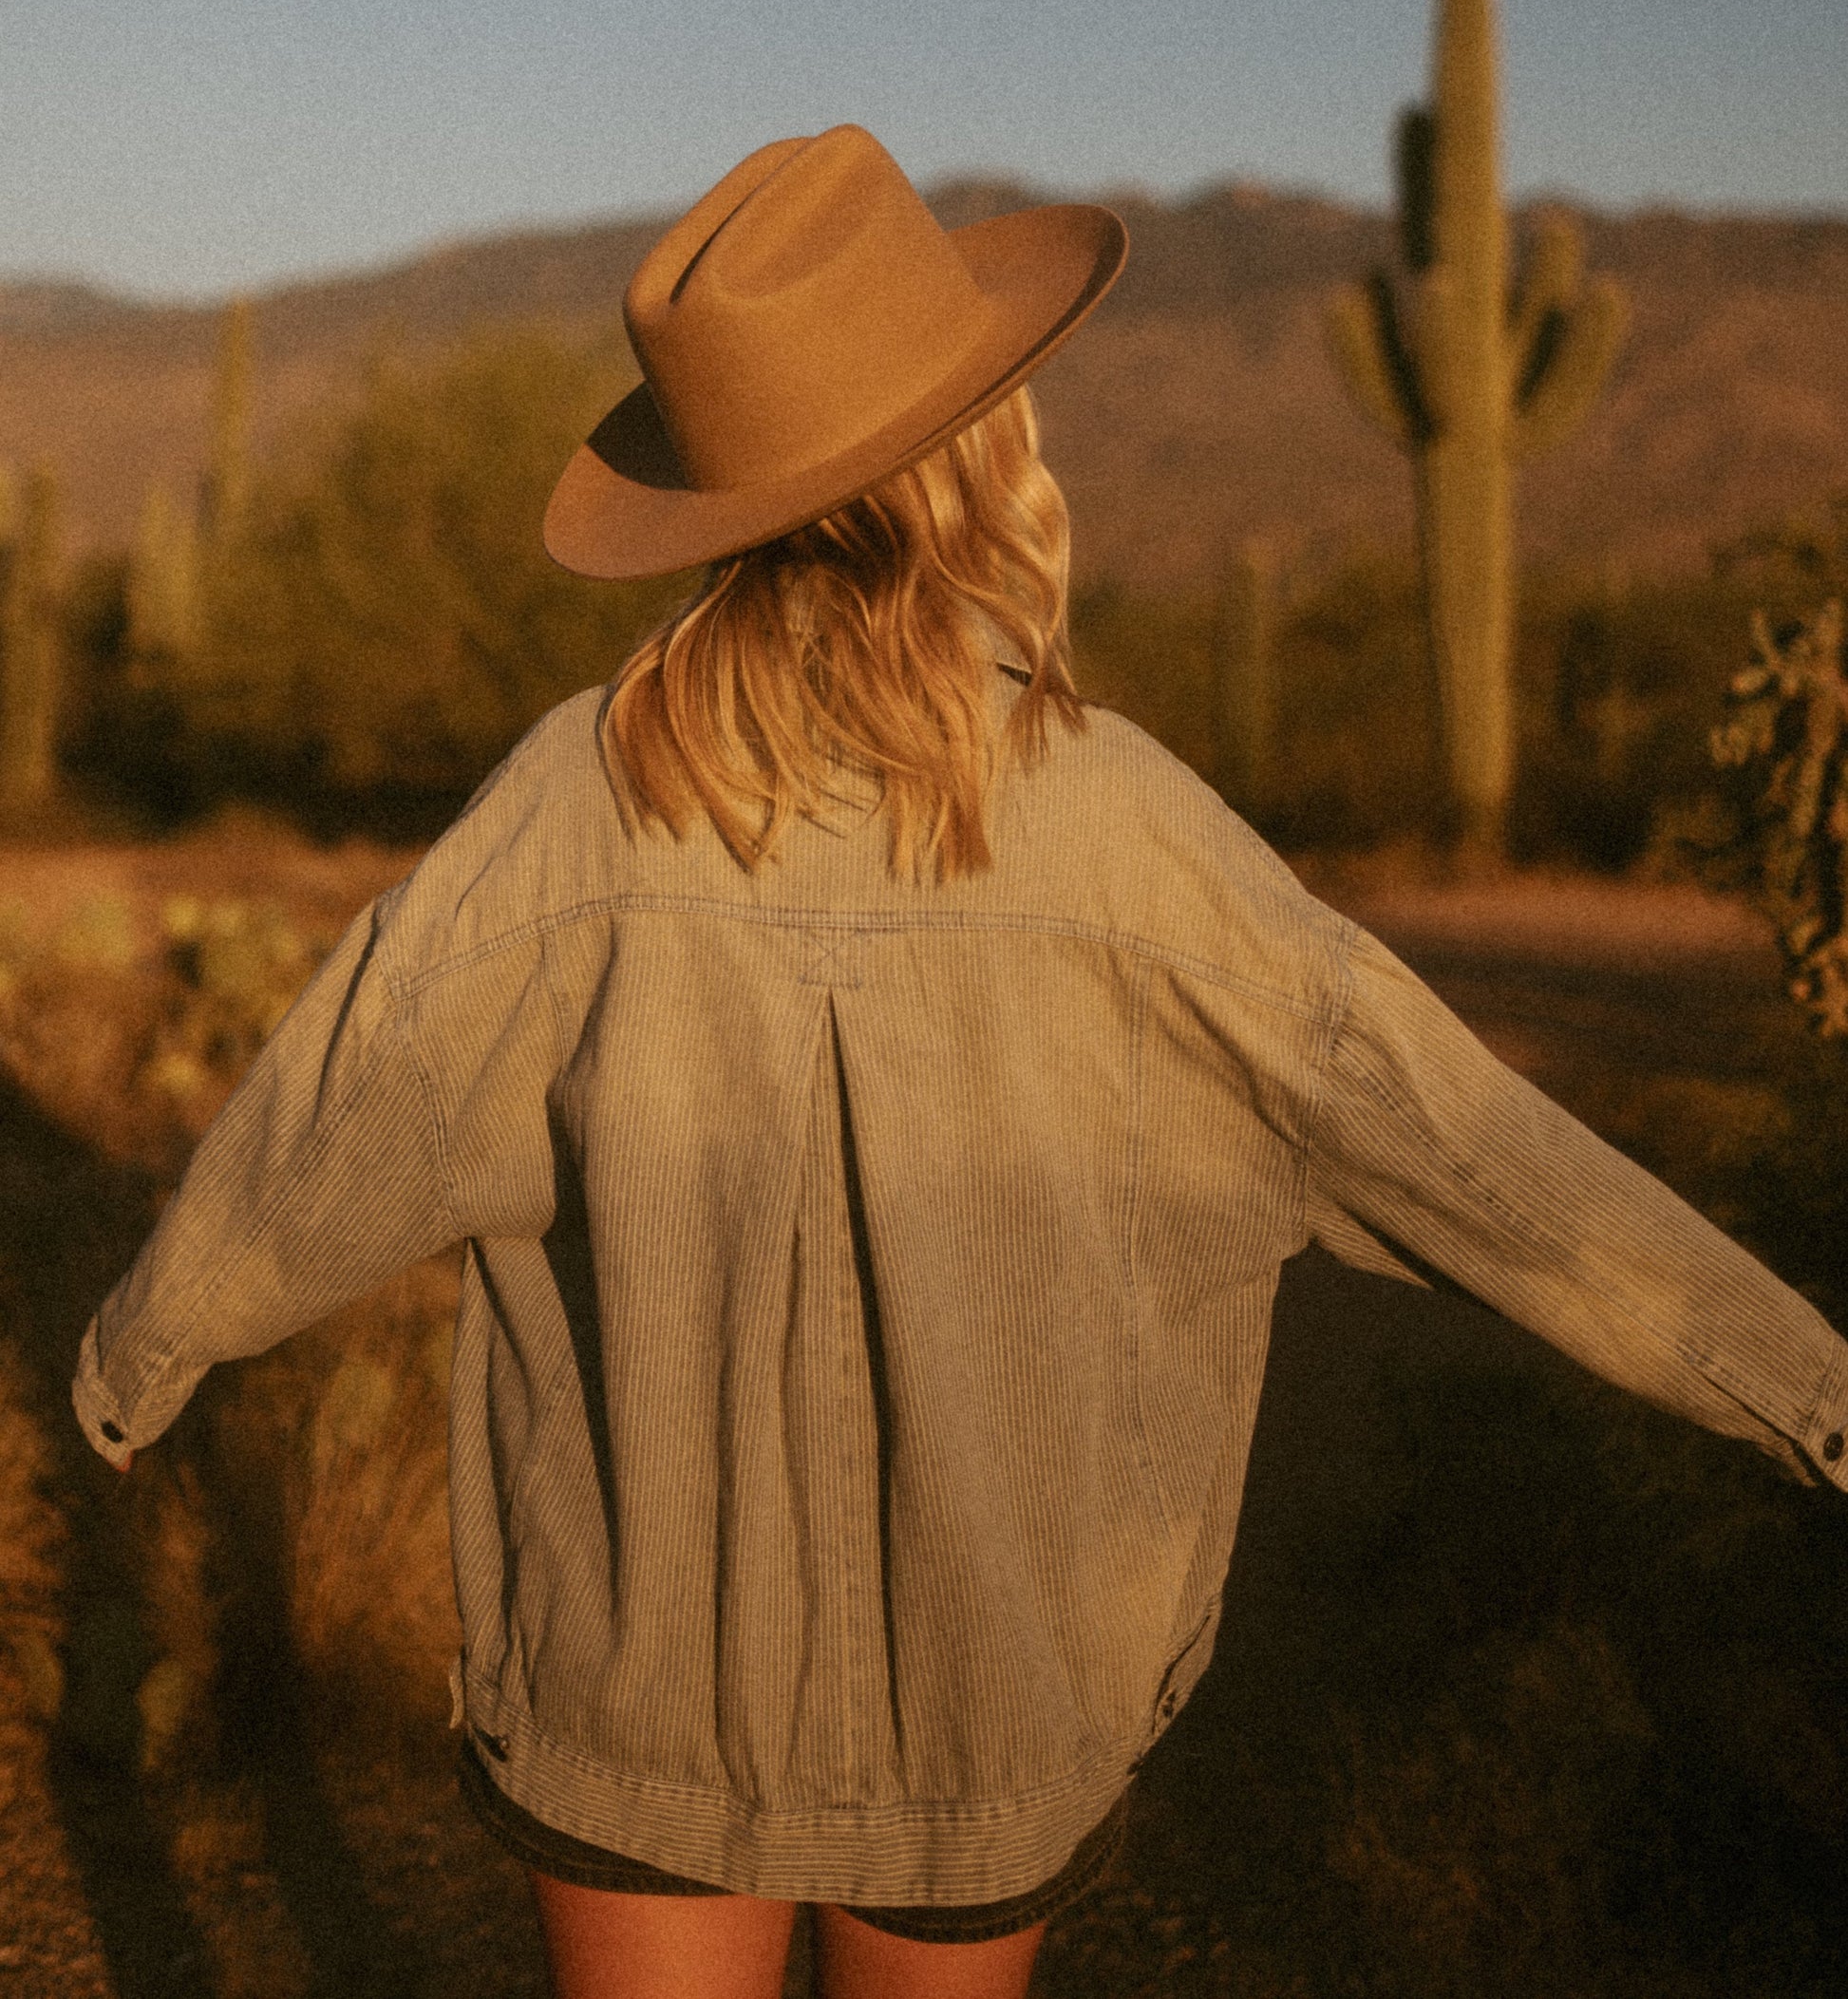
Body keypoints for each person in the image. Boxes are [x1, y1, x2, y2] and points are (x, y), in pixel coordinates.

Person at [76, 124, 1848, 1999]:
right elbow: (1495, 1174)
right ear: (989, 445)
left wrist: (134, 1358)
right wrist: (1808, 1390)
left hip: (629, 1684)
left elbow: (325, 1129)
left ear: (715, 493)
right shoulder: (1146, 841)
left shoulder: (564, 811)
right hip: (992, 1697)